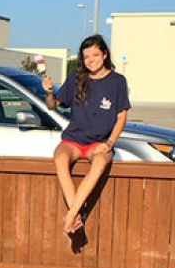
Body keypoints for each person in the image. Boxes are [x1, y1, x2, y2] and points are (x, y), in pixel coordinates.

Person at [42, 34, 130, 242]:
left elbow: (122, 116)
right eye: (86, 57)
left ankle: (71, 216)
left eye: (95, 55)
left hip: (98, 143)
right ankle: (76, 215)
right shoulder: (76, 77)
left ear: (105, 54)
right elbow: (53, 105)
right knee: (60, 158)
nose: (91, 60)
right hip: (73, 140)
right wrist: (48, 92)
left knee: (100, 162)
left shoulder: (117, 81)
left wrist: (109, 144)